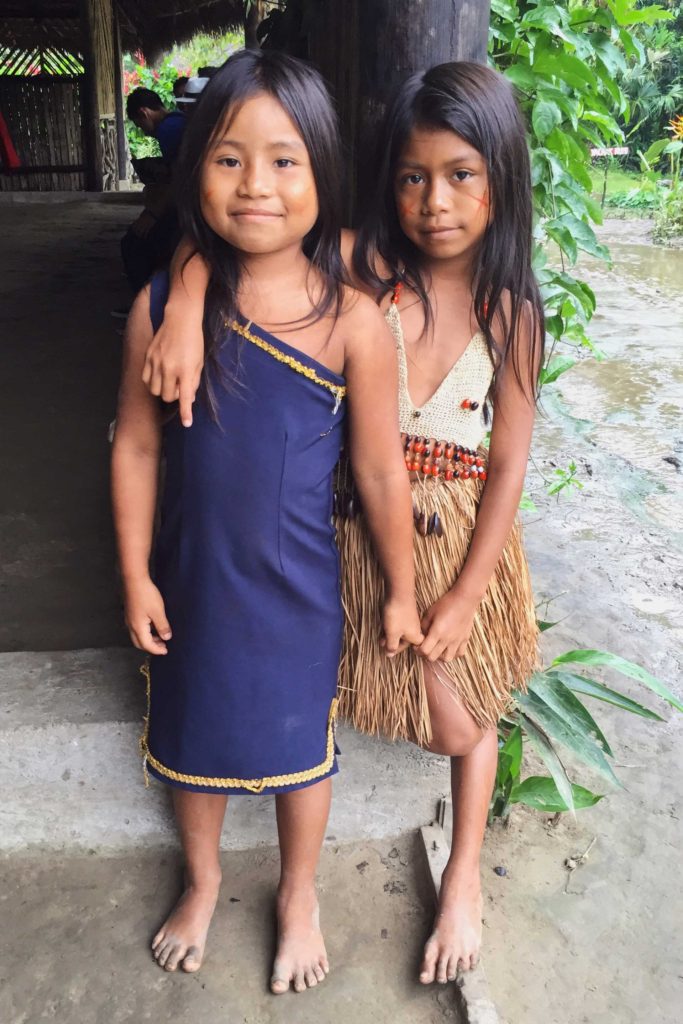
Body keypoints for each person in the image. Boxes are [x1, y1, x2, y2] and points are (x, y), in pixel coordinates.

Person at [139, 61, 543, 985]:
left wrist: (465, 594)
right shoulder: (360, 263)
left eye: (460, 175)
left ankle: (465, 877)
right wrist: (190, 301)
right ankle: (267, 884)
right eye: (412, 176)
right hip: (348, 534)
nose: (433, 201)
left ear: (501, 181)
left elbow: (510, 463)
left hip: (456, 540)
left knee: (458, 719)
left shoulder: (510, 313)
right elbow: (244, 239)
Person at [111, 49, 422, 992]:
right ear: (193, 165)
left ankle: (298, 892)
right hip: (191, 579)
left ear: (324, 174)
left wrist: (404, 590)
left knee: (302, 745)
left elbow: (377, 468)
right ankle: (202, 881)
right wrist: (134, 573)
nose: (257, 185)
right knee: (190, 732)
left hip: (297, 587)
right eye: (229, 158)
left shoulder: (352, 323)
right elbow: (134, 445)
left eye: (286, 160)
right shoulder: (162, 308)